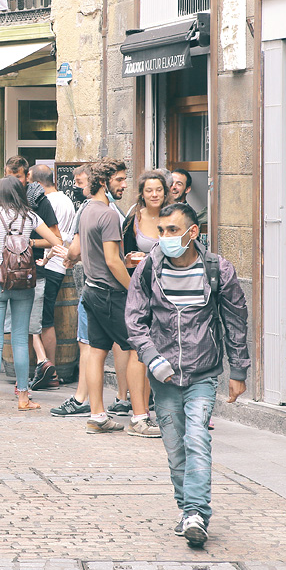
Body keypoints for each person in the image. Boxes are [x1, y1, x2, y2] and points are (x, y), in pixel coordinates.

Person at [126, 202, 249, 547]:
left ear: (193, 232)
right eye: (161, 231)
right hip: (162, 379)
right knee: (175, 447)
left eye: (172, 231)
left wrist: (238, 369)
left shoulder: (218, 270)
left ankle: (196, 512)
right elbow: (134, 320)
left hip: (202, 372)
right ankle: (186, 509)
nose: (164, 238)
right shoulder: (150, 267)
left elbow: (236, 320)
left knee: (197, 438)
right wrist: (152, 358)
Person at [67, 157, 152, 435]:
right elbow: (112, 261)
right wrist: (134, 289)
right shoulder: (109, 213)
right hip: (110, 293)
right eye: (119, 179)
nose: (124, 185)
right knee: (140, 349)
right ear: (103, 182)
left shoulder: (87, 209)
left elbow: (83, 252)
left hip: (91, 290)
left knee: (96, 352)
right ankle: (140, 418)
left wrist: (121, 260)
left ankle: (97, 416)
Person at [0, 177, 62, 412]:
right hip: (23, 281)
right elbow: (56, 241)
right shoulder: (31, 216)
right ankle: (23, 398)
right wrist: (42, 257)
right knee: (20, 339)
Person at [115, 170, 172, 436]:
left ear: (166, 191)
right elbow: (119, 255)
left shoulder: (175, 216)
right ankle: (139, 415)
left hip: (171, 291)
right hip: (141, 289)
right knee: (139, 349)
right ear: (142, 192)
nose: (154, 195)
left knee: (166, 349)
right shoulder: (132, 218)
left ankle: (165, 410)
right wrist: (129, 261)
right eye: (149, 190)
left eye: (158, 190)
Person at [53, 163, 97, 417]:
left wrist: (69, 255)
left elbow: (78, 249)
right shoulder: (108, 210)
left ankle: (87, 401)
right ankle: (90, 400)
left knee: (89, 344)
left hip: (97, 287)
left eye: (80, 183)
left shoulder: (90, 209)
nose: (76, 189)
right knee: (91, 344)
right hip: (99, 285)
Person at [27, 164, 77, 392]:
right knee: (44, 319)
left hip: (48, 263)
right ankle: (48, 369)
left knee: (43, 321)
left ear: (33, 180)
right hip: (58, 265)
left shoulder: (47, 202)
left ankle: (51, 371)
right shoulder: (66, 200)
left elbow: (52, 236)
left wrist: (34, 246)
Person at [169, 168, 208, 233]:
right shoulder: (157, 209)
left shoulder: (190, 215)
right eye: (171, 183)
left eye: (179, 184)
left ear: (187, 189)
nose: (173, 187)